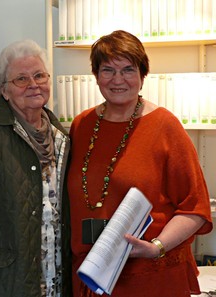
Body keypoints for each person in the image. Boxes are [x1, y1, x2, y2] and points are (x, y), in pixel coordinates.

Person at [67, 30, 213, 297]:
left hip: (150, 276)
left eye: (128, 70)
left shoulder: (164, 126)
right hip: (92, 275)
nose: (118, 79)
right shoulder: (81, 124)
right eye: (108, 70)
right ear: (96, 76)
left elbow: (195, 208)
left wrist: (156, 246)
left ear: (142, 75)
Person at [0, 39, 71, 296]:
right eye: (21, 79)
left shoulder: (64, 137)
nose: (33, 84)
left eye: (39, 75)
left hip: (57, 276)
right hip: (6, 277)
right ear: (4, 91)